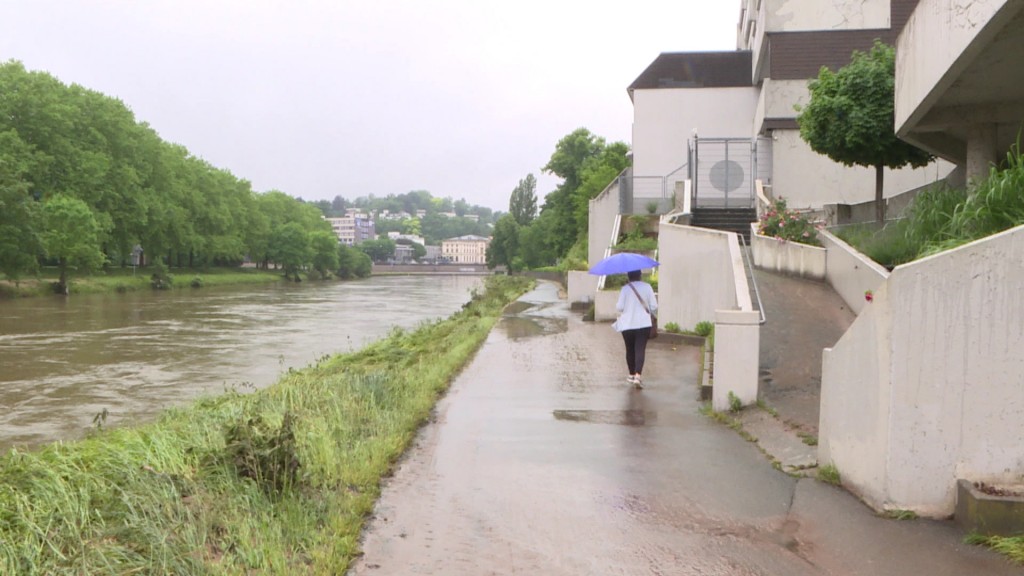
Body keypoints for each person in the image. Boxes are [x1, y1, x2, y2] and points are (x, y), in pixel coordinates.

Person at [614, 269, 658, 388]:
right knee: (640, 349)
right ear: (640, 276)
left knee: (629, 349)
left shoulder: (625, 289)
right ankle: (638, 376)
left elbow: (619, 307)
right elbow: (654, 306)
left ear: (628, 276)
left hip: (627, 325)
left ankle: (631, 374)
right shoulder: (647, 287)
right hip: (643, 324)